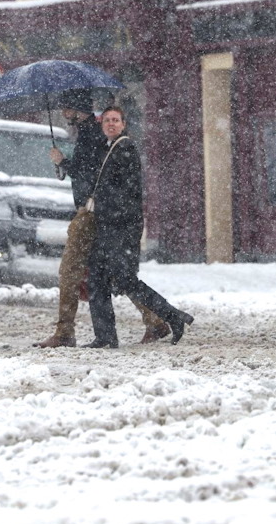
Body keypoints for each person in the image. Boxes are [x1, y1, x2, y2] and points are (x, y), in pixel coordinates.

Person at [32, 91, 168, 348]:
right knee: (114, 273)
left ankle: (65, 332)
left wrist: (64, 162)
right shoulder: (91, 132)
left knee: (71, 270)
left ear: (75, 108)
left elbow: (93, 175)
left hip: (91, 214)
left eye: (65, 107)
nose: (63, 112)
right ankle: (155, 319)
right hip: (97, 213)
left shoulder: (92, 134)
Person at [83, 106, 194, 348]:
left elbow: (127, 190)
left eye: (115, 120)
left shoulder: (125, 148)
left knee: (124, 279)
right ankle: (105, 336)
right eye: (107, 120)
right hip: (108, 225)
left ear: (123, 124)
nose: (111, 124)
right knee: (99, 278)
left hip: (121, 227)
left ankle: (172, 316)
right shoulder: (106, 149)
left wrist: (106, 204)